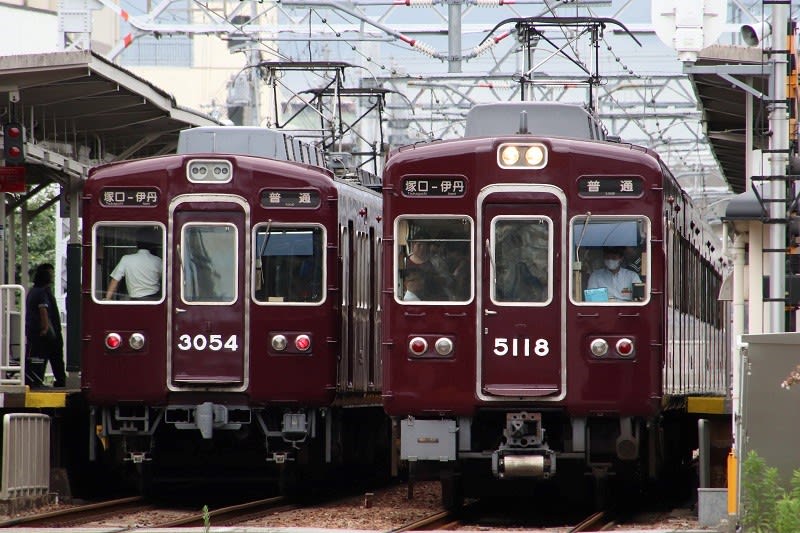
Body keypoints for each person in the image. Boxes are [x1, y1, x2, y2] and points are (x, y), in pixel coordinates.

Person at [25, 263, 67, 388]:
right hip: (44, 333)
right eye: (51, 274)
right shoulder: (42, 292)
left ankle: (54, 381)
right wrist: (45, 328)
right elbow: (43, 310)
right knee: (42, 358)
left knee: (49, 358)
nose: (53, 276)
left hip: (43, 332)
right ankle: (37, 382)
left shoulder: (35, 291)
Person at [105, 227, 162, 300]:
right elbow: (164, 279)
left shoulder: (126, 259)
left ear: (136, 243)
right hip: (156, 301)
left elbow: (115, 280)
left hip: (135, 301)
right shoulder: (158, 261)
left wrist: (107, 299)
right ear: (152, 244)